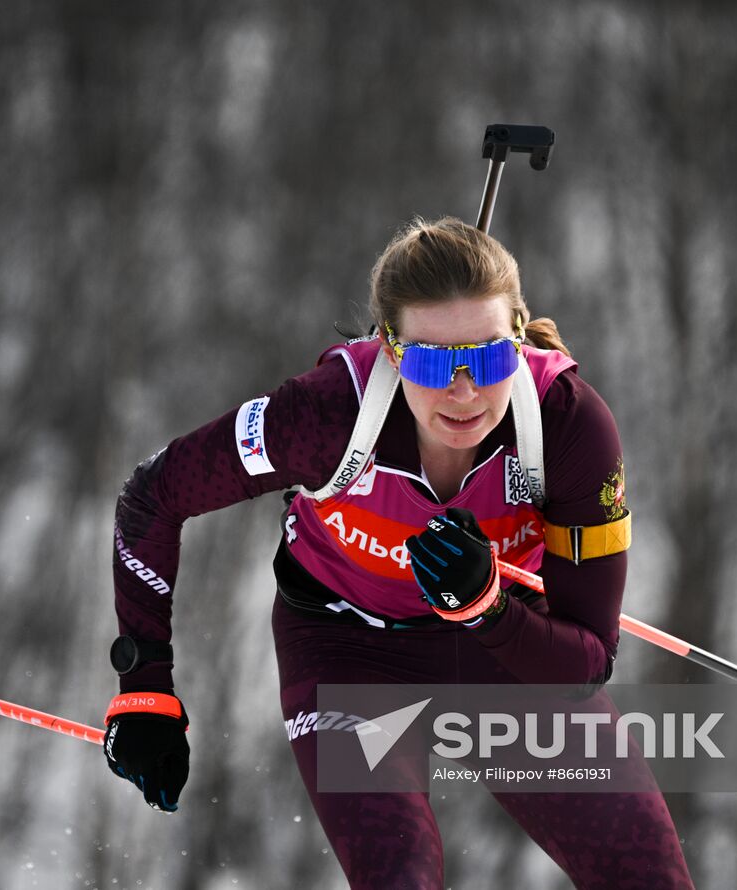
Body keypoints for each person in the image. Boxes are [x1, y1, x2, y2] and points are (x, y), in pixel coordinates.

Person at [101, 217, 694, 888]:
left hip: (504, 653)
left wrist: (487, 609)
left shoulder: (567, 428)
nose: (464, 390)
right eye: (434, 361)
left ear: (520, 338)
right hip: (348, 648)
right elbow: (151, 497)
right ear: (388, 348)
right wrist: (144, 688)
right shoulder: (324, 419)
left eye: (490, 356)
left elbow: (587, 660)